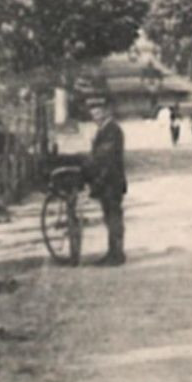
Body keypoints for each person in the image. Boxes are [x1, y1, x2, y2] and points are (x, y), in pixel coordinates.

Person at [84, 96, 126, 266]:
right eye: (93, 112)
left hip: (111, 181)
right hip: (108, 180)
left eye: (98, 112)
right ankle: (113, 252)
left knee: (113, 217)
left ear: (106, 112)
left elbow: (106, 157)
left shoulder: (112, 130)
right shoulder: (104, 129)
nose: (95, 116)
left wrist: (99, 179)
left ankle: (116, 254)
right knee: (109, 217)